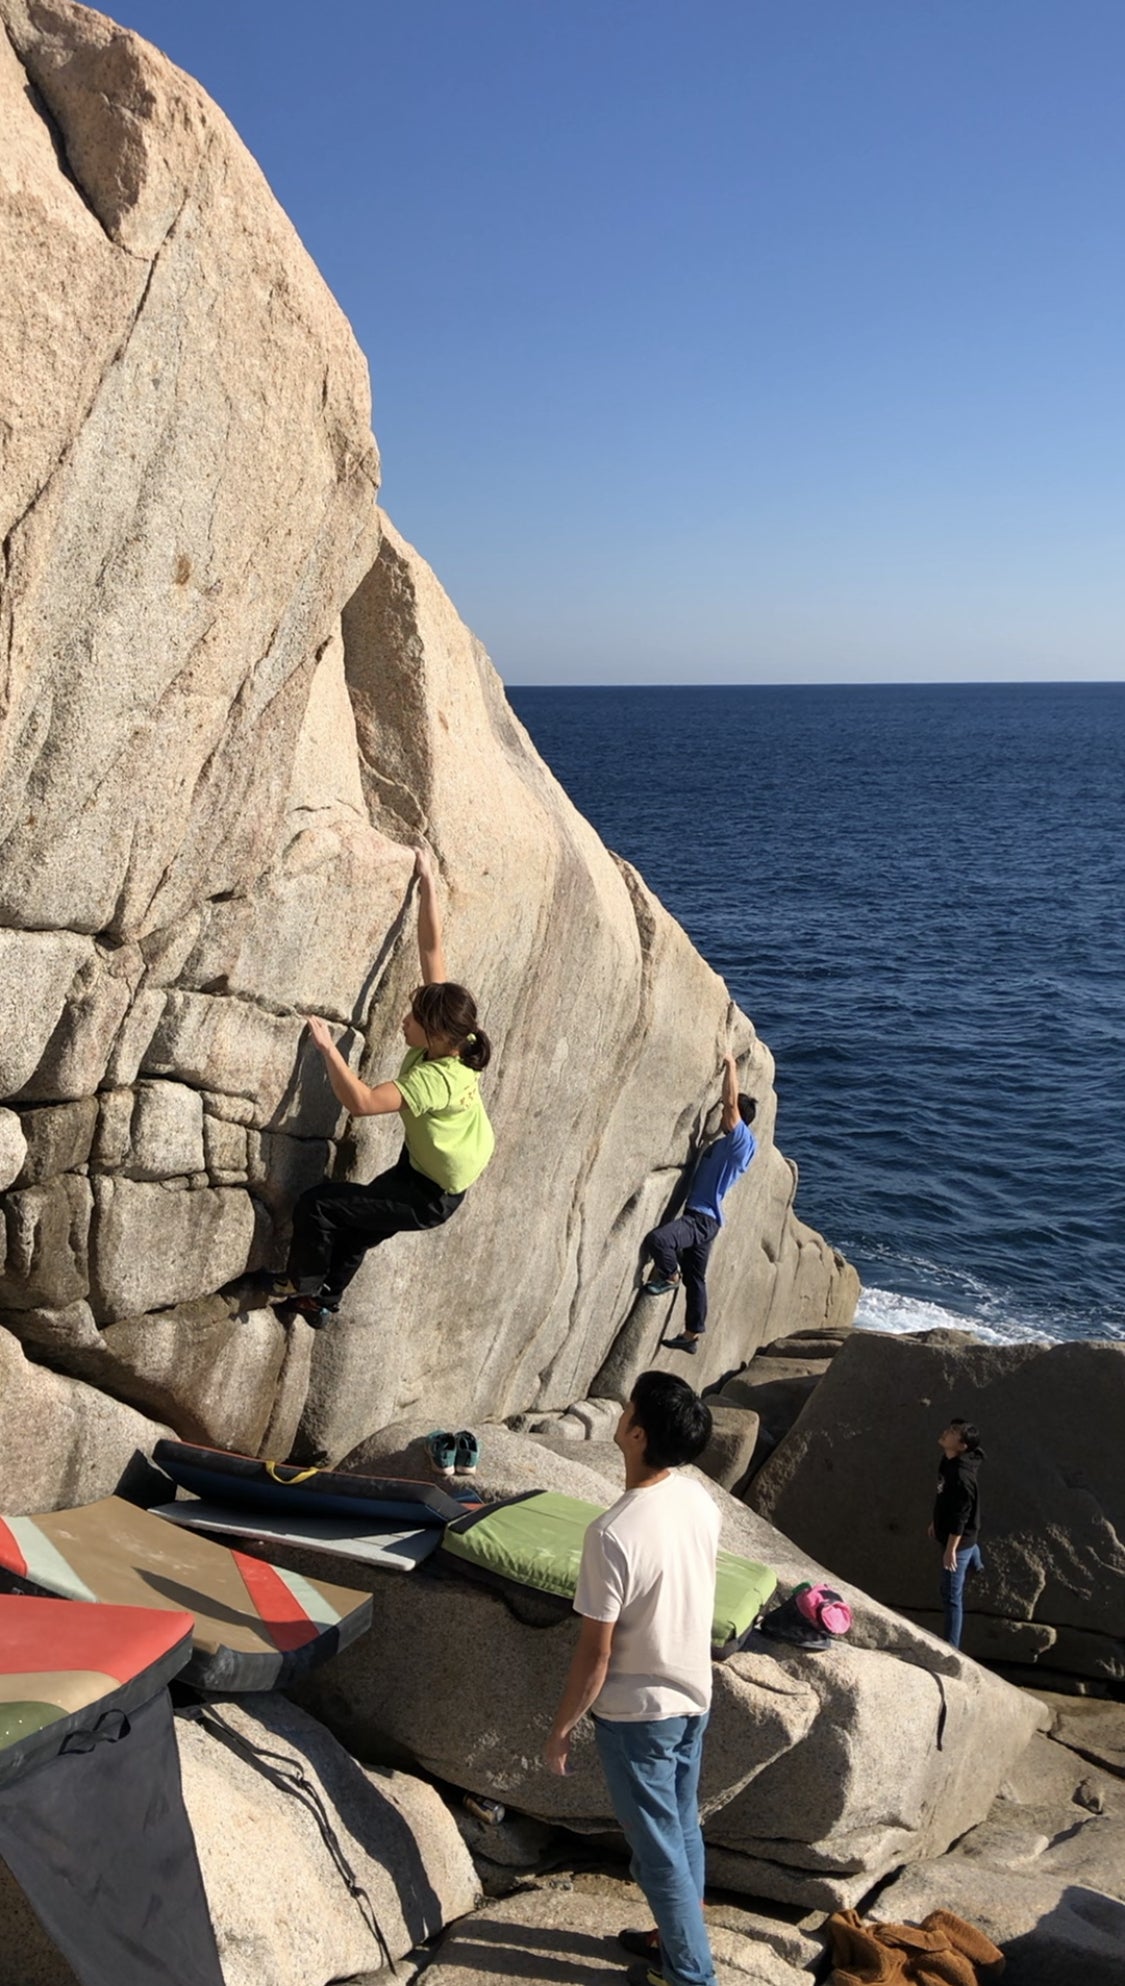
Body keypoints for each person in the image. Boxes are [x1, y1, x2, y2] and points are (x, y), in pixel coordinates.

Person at [544, 1371, 720, 1986]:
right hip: (694, 1696)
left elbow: (596, 1655)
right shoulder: (698, 1499)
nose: (620, 1413)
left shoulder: (611, 1534)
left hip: (639, 1716)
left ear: (638, 1434)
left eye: (629, 1408)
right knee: (682, 1829)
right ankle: (674, 1939)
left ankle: (691, 1975)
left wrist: (562, 1727)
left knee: (659, 1851)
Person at [272, 848, 494, 1327]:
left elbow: (362, 1102)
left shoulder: (434, 1079)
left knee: (319, 1206)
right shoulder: (459, 1036)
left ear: (436, 1034)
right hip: (428, 1167)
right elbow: (432, 950)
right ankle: (324, 1301)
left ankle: (302, 1285)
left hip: (431, 1193)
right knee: (358, 1229)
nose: (404, 1021)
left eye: (413, 1019)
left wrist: (328, 1050)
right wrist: (428, 881)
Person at [640, 1053, 756, 1355]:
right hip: (709, 1222)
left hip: (700, 1219)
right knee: (696, 1279)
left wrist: (730, 1065)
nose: (723, 1116)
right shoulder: (733, 1144)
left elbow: (730, 1104)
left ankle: (669, 1275)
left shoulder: (740, 1140)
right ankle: (691, 1336)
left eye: (728, 1114)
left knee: (660, 1240)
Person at [929, 1418, 985, 1649]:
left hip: (960, 1541)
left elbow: (961, 1517)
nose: (946, 1432)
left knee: (951, 1595)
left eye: (953, 1432)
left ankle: (952, 1650)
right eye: (950, 1428)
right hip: (956, 1530)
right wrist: (935, 1521)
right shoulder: (948, 1459)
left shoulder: (962, 1477)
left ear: (962, 1446)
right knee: (970, 1546)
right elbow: (943, 1495)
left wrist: (951, 1550)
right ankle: (976, 1563)